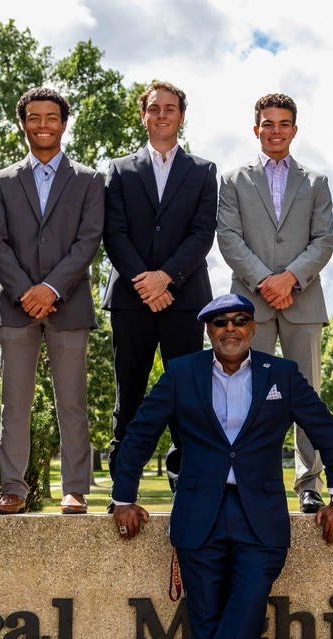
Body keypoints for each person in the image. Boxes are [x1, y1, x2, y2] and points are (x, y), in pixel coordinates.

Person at [110, 293, 333, 639]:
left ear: (253, 328)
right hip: (199, 515)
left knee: (245, 614)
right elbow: (140, 433)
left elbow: (327, 431)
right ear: (209, 330)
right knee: (207, 624)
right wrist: (122, 497)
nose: (231, 328)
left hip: (260, 518)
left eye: (240, 320)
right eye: (220, 322)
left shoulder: (281, 375)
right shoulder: (181, 373)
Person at [217, 94, 333, 514]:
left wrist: (290, 278)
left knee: (307, 396)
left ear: (294, 130)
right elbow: (228, 238)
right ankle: (250, 479)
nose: (275, 130)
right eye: (268, 123)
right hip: (250, 305)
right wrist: (265, 281)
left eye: (284, 123)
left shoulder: (316, 182)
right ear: (256, 129)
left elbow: (325, 239)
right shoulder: (233, 181)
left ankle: (310, 483)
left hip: (303, 301)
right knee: (247, 394)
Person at [0, 87, 104, 515]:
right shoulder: (0, 181)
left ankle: (75, 489)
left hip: (69, 306)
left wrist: (51, 289)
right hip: (15, 306)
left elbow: (88, 240)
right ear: (23, 124)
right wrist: (25, 291)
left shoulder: (90, 180)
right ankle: (13, 488)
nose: (43, 125)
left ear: (64, 124)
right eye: (34, 117)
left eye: (51, 117)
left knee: (72, 402)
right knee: (14, 403)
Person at [102, 80, 217, 495]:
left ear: (181, 116)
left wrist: (165, 278)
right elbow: (113, 233)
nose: (162, 114)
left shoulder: (203, 171)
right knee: (128, 395)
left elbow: (203, 233)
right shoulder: (119, 169)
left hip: (183, 300)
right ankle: (123, 487)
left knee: (187, 394)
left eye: (170, 108)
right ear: (143, 115)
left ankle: (186, 483)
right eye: (154, 108)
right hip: (130, 300)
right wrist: (145, 282)